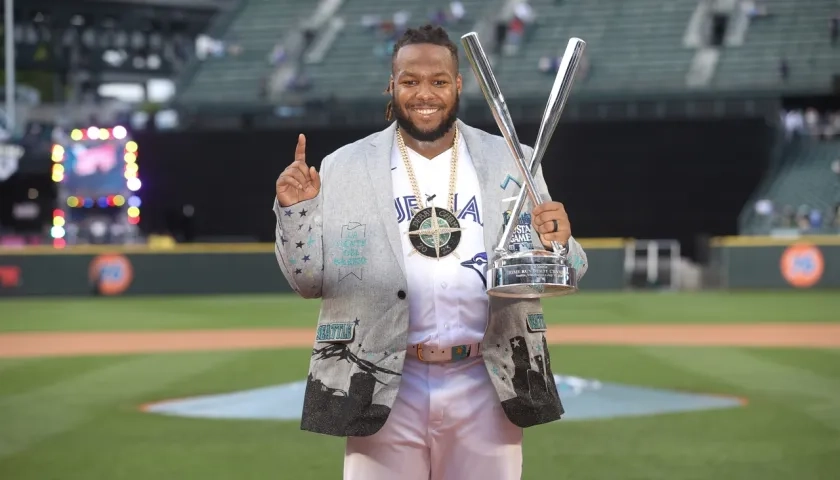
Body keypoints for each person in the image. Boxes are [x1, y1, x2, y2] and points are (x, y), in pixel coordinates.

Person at [272, 24, 589, 480]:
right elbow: (308, 282)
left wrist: (560, 242)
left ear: (457, 85)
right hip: (380, 378)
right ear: (392, 85)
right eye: (410, 81)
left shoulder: (512, 160)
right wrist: (295, 212)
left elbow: (570, 271)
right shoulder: (345, 166)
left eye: (438, 81)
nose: (425, 94)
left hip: (485, 380)